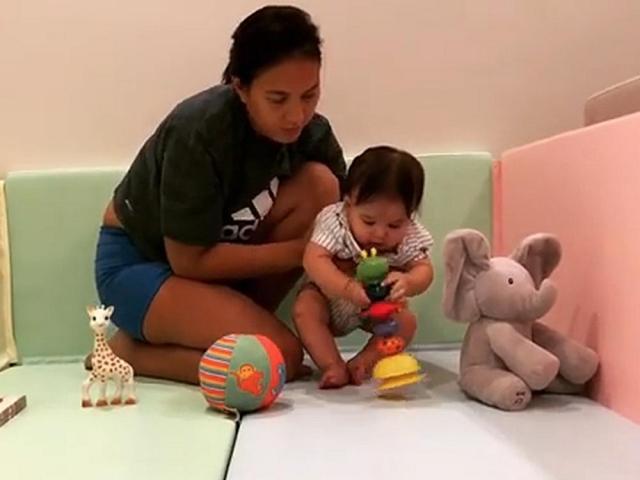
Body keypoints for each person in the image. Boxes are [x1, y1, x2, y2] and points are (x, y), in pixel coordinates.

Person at [91, 6, 346, 384]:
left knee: (321, 185)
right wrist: (306, 253)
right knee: (279, 359)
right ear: (240, 87)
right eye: (278, 99)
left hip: (209, 276)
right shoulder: (198, 130)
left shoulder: (312, 132)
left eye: (310, 94)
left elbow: (349, 219)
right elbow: (189, 262)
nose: (297, 115)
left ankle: (227, 327)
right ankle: (125, 353)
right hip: (139, 267)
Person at [293, 146, 434, 388]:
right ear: (348, 205)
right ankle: (332, 365)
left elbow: (425, 269)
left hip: (377, 306)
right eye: (368, 221)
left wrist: (409, 282)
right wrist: (346, 288)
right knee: (305, 309)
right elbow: (313, 259)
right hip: (328, 297)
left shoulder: (410, 233)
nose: (380, 234)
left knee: (406, 322)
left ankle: (364, 363)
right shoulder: (335, 221)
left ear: (409, 216)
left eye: (394, 225)